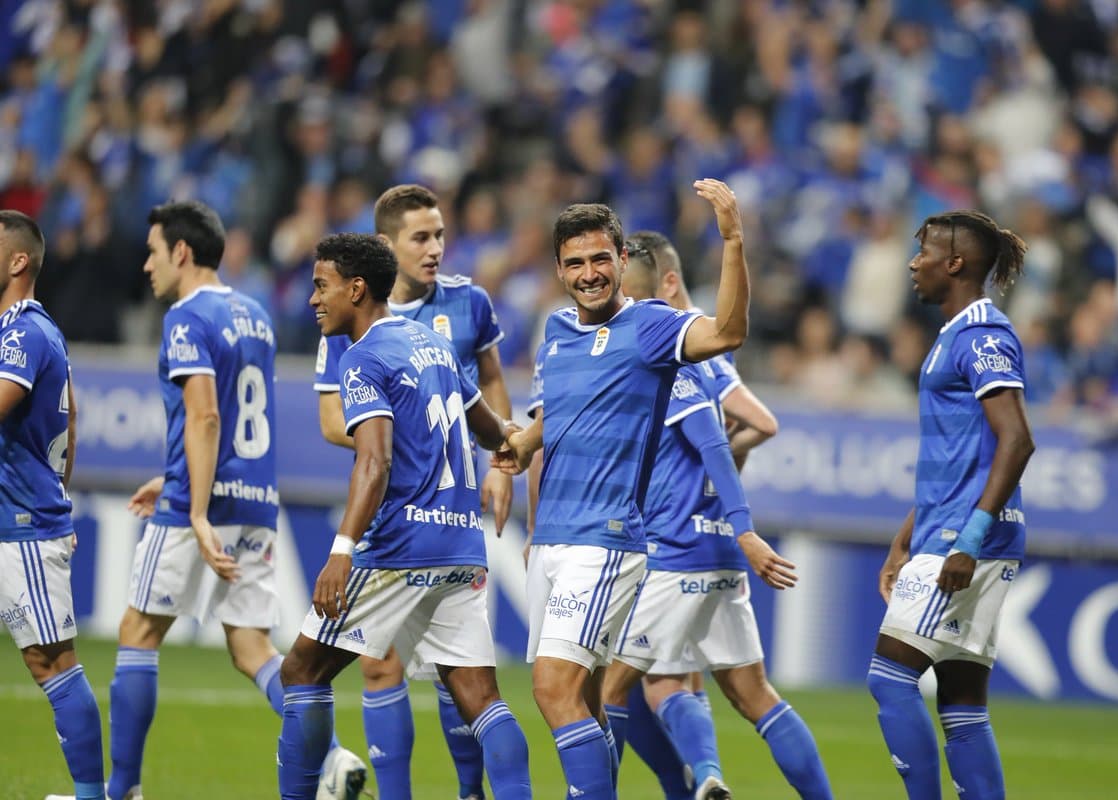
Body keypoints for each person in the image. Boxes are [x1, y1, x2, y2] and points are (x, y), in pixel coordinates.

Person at [494, 179, 750, 800]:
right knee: (587, 699)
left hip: (604, 538)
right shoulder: (556, 331)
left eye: (600, 259)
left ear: (621, 259)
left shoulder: (651, 326)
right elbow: (560, 412)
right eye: (575, 263)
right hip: (553, 538)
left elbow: (727, 332)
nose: (589, 274)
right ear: (559, 269)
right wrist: (524, 446)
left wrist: (732, 240)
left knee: (552, 688)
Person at [108, 201, 363, 800]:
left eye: (152, 251)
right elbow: (237, 414)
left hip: (199, 506)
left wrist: (195, 509)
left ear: (181, 252)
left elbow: (206, 414)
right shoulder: (255, 315)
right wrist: (170, 472)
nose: (146, 265)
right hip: (255, 502)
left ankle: (121, 792)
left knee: (137, 632)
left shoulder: (185, 316)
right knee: (251, 647)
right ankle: (332, 757)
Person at [278, 233, 531, 800]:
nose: (313, 299)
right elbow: (487, 425)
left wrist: (341, 551)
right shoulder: (432, 344)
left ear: (356, 289)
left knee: (301, 671)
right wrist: (516, 440)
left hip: (399, 547)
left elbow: (375, 460)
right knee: (481, 698)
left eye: (321, 286)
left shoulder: (362, 357)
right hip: (460, 547)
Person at [600, 231, 833, 800]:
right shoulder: (708, 358)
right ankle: (709, 777)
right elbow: (748, 429)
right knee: (750, 693)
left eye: (629, 297)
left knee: (609, 689)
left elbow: (710, 441)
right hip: (717, 547)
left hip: (676, 549)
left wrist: (745, 525)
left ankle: (673, 780)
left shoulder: (670, 363)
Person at [869, 210, 1034, 800]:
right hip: (948, 532)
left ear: (955, 263)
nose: (914, 263)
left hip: (963, 542)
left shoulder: (984, 337)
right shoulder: (954, 333)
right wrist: (904, 539)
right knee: (962, 704)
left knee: (890, 678)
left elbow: (1017, 439)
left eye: (925, 253)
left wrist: (968, 538)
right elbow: (961, 456)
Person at [0, 211, 103, 800]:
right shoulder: (24, 331)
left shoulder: (24, 331)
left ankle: (91, 795)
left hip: (22, 523)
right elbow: (74, 418)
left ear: (19, 261)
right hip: (18, 516)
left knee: (53, 663)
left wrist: (54, 506)